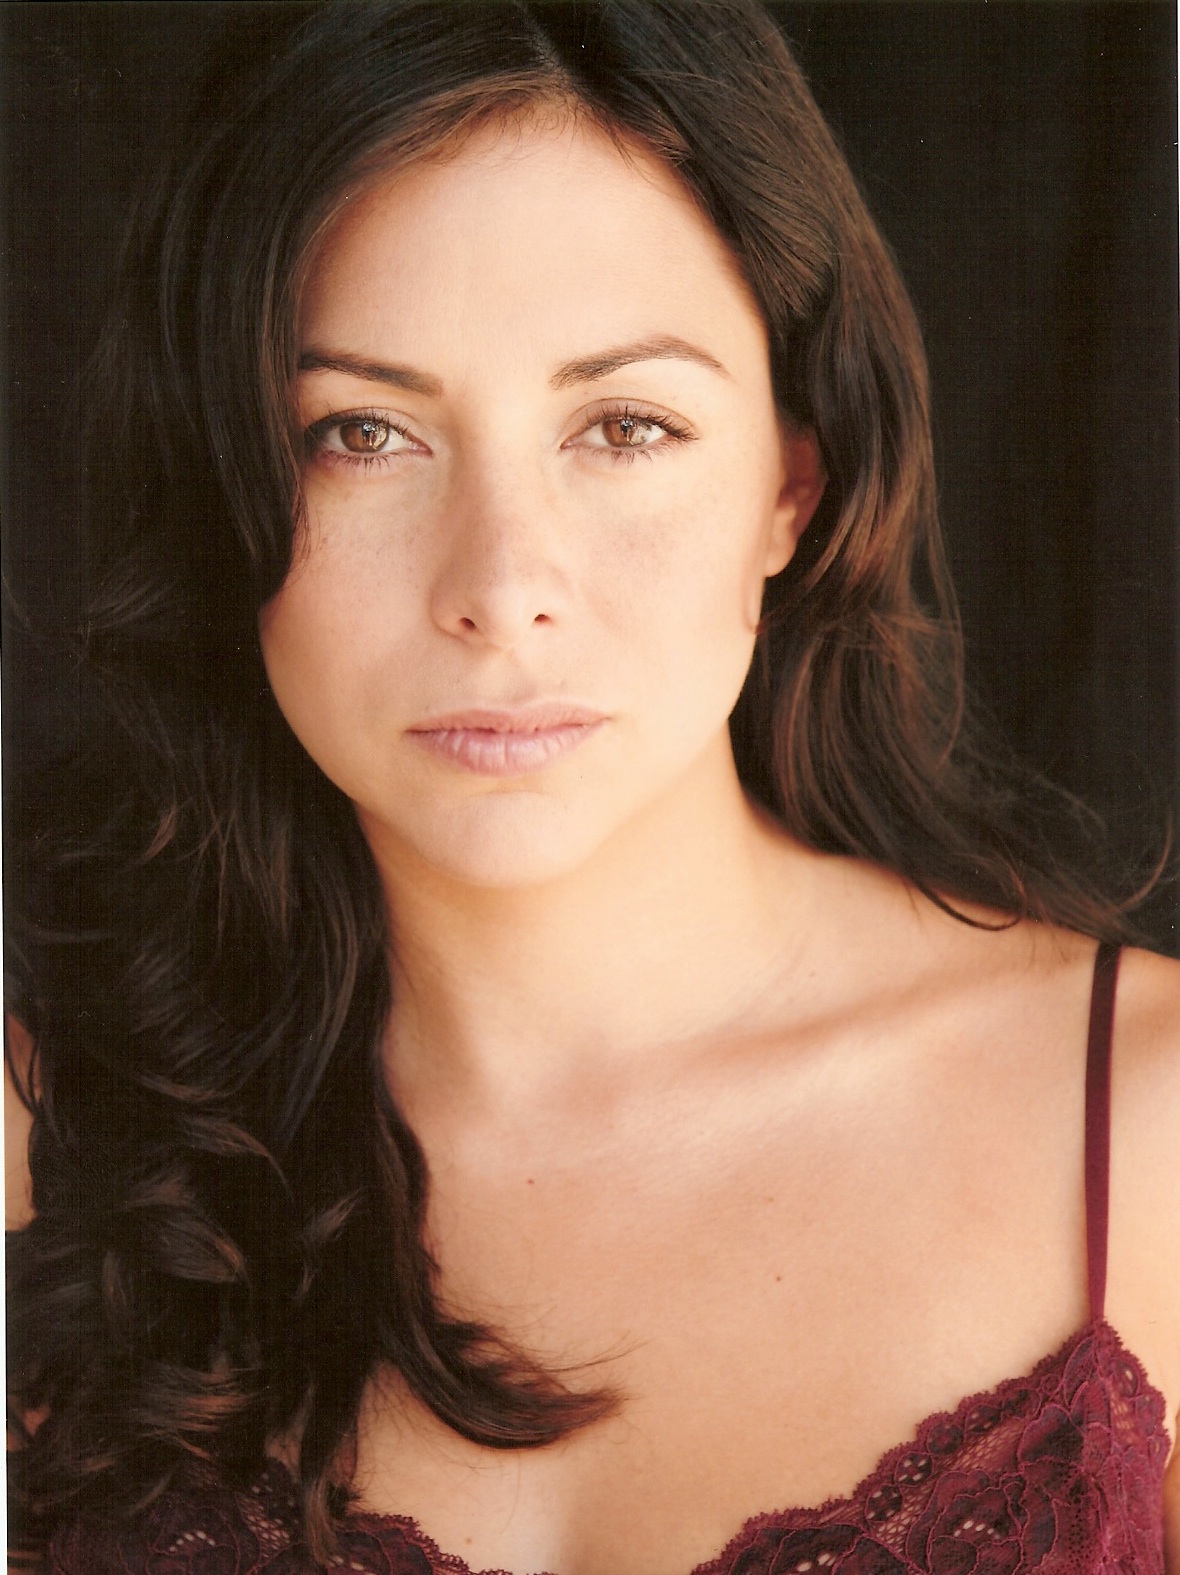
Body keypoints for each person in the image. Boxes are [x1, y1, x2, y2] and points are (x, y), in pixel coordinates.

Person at [6, 2, 1179, 1571]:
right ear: (220, 481)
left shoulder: (1153, 1133)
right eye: (362, 432)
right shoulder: (41, 1135)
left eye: (626, 427)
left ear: (792, 482)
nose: (503, 588)